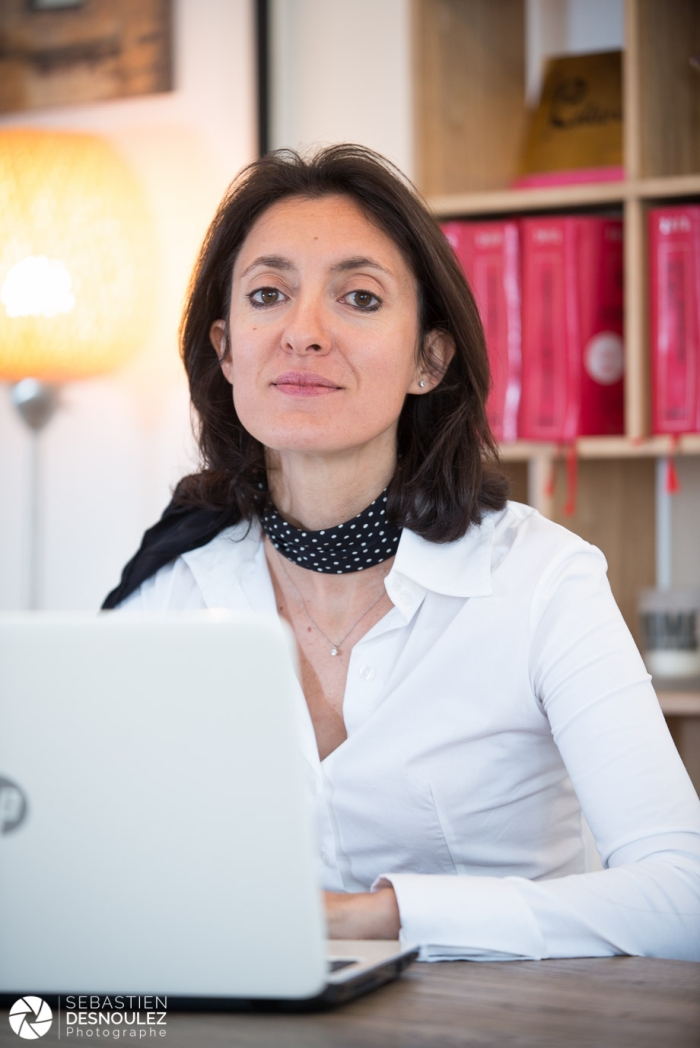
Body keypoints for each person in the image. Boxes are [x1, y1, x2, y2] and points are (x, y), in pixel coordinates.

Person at [104, 144, 700, 961]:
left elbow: (683, 896)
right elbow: (100, 867)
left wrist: (382, 915)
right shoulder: (169, 590)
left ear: (430, 359)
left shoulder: (542, 581)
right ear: (227, 348)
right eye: (268, 295)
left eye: (358, 297)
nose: (303, 333)